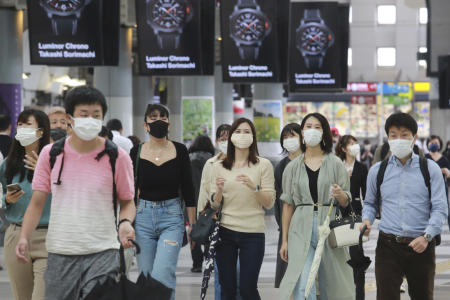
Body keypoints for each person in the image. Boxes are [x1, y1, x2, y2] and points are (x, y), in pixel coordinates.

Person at [15, 86, 136, 300]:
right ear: (70, 118)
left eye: (96, 115)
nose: (90, 120)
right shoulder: (51, 154)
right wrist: (24, 236)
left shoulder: (117, 156)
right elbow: (37, 202)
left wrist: (125, 222)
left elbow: (127, 201)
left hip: (103, 251)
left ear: (103, 118)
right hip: (61, 251)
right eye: (84, 114)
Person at [361, 113, 448, 300]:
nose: (398, 139)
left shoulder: (430, 169)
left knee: (422, 296)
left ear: (414, 138)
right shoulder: (377, 171)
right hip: (388, 246)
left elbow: (440, 208)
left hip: (422, 245)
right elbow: (370, 203)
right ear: (388, 138)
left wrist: (426, 237)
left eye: (404, 134)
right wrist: (366, 220)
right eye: (393, 135)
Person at [279, 113, 354, 300]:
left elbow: (346, 200)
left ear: (324, 132)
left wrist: (341, 195)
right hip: (300, 227)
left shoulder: (335, 163)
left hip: (329, 226)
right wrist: (285, 240)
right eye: (308, 126)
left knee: (333, 280)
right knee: (304, 280)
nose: (312, 130)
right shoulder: (292, 167)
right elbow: (288, 205)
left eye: (317, 127)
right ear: (302, 132)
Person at [130, 104, 196, 300]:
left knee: (163, 274)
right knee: (146, 277)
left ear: (169, 122)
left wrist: (192, 225)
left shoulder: (180, 150)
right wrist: (127, 222)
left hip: (172, 217)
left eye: (163, 116)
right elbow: (131, 191)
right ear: (145, 124)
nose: (158, 120)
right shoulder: (136, 152)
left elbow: (188, 189)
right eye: (153, 117)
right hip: (143, 217)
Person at [210, 118, 275, 300]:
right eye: (238, 132)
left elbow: (269, 202)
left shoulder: (263, 165)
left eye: (247, 132)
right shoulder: (219, 166)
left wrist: (254, 188)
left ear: (253, 137)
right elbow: (215, 205)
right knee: (227, 288)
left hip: (253, 232)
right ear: (231, 137)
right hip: (225, 231)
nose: (242, 135)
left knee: (248, 288)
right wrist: (219, 192)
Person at [1, 109, 51, 300]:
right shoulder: (8, 163)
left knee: (42, 296)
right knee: (22, 296)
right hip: (16, 234)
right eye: (19, 125)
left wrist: (45, 171)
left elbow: (68, 192)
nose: (21, 129)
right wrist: (6, 199)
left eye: (27, 124)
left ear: (40, 131)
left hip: (48, 235)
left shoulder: (55, 161)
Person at [196, 124, 238, 300]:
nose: (224, 141)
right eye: (221, 138)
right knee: (221, 274)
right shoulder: (210, 164)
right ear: (216, 141)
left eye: (228, 137)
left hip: (240, 222)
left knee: (240, 273)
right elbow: (204, 192)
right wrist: (201, 219)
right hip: (218, 225)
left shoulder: (243, 163)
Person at [335, 134, 368, 296]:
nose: (355, 146)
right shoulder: (336, 166)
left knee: (357, 252)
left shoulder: (362, 168)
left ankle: (359, 293)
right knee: (337, 252)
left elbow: (367, 194)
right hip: (338, 211)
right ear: (343, 149)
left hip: (356, 210)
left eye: (356, 143)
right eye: (351, 144)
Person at [274, 123, 302, 289]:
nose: (289, 140)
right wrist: (283, 228)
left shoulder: (311, 162)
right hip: (288, 227)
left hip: (309, 223)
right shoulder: (281, 167)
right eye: (285, 137)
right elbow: (280, 201)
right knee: (289, 279)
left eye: (293, 136)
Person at [188, 134, 215, 273]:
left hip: (191, 201)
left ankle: (196, 263)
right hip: (208, 201)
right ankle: (209, 259)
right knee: (209, 229)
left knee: (193, 230)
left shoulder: (188, 160)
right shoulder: (213, 161)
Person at [425, 135, 450, 229]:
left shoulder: (444, 159)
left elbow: (448, 173)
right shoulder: (424, 158)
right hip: (427, 187)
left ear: (440, 145)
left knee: (445, 206)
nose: (434, 145)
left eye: (436, 143)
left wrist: (447, 171)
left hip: (442, 187)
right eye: (431, 143)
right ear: (428, 144)